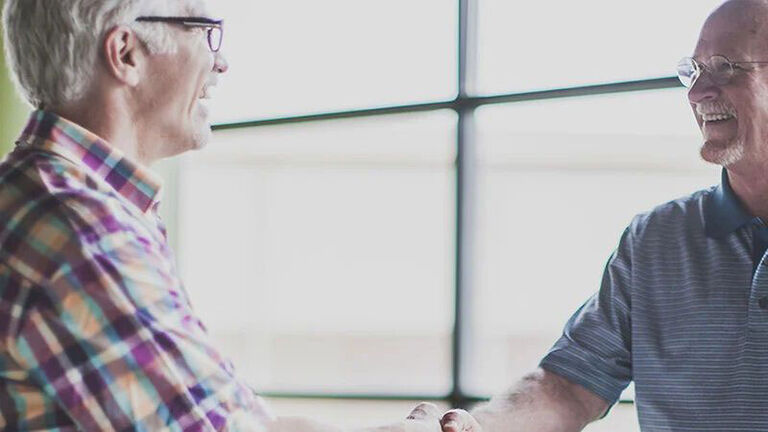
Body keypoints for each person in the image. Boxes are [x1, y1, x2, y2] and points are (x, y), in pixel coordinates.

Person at [0, 0, 441, 430]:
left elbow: (231, 415)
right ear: (126, 53)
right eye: (203, 30)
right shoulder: (83, 228)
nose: (222, 61)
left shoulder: (45, 197)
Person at [438, 0, 768, 431]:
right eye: (693, 71)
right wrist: (472, 427)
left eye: (725, 68)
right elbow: (569, 387)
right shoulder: (655, 239)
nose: (696, 92)